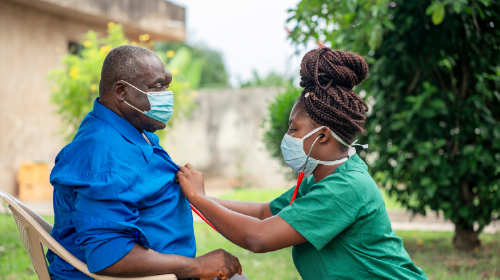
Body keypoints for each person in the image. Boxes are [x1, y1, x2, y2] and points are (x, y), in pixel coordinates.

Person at [176, 47, 428, 280]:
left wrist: (199, 199)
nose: (287, 138)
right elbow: (265, 213)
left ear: (323, 135)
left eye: (293, 129)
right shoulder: (321, 179)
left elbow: (258, 237)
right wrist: (197, 196)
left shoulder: (345, 188)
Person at [48, 45, 245, 280]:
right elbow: (109, 256)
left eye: (167, 86)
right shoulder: (105, 157)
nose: (166, 96)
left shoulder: (129, 130)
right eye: (157, 87)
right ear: (121, 91)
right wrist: (197, 265)